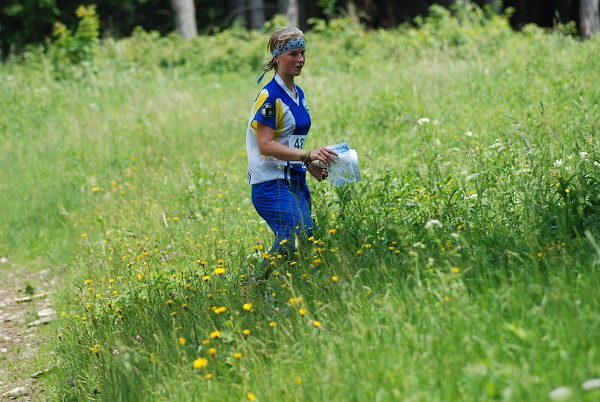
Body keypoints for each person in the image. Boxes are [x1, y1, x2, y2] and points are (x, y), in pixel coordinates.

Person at [245, 27, 338, 279]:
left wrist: (308, 164)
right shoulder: (269, 96)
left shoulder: (298, 94)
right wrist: (308, 155)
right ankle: (255, 284)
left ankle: (287, 289)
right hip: (270, 183)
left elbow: (291, 140)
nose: (301, 60)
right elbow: (265, 145)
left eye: (303, 53)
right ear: (277, 57)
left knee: (307, 239)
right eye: (293, 54)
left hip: (294, 179)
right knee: (294, 233)